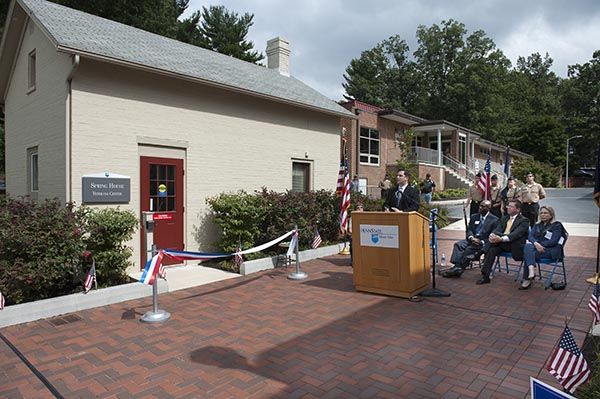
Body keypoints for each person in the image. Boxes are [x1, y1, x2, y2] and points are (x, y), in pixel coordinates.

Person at [476, 199, 529, 285]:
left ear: (518, 209)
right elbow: (497, 230)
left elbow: (515, 235)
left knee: (492, 244)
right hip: (501, 243)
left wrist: (500, 238)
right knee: (492, 250)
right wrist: (493, 235)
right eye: (508, 206)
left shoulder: (524, 221)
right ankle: (485, 276)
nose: (508, 208)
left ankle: (480, 253)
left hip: (514, 245)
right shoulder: (504, 218)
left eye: (511, 207)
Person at [442, 200, 499, 278]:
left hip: (482, 242)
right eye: (480, 206)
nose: (480, 208)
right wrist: (471, 237)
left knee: (469, 249)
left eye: (483, 206)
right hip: (472, 239)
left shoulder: (494, 220)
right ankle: (457, 267)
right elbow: (469, 230)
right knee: (458, 245)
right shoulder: (474, 216)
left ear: (489, 208)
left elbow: (493, 235)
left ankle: (458, 269)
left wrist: (481, 242)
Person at [519, 206, 565, 290]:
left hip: (550, 250)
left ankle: (528, 277)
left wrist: (538, 245)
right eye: (541, 213)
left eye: (545, 213)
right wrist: (536, 244)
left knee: (528, 250)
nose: (543, 215)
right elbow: (530, 236)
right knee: (528, 249)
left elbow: (553, 241)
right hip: (536, 249)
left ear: (551, 215)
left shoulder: (557, 225)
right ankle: (531, 270)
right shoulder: (537, 225)